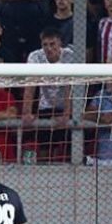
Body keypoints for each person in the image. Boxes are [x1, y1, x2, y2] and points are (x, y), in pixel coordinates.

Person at [23, 28, 76, 162]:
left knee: (64, 145)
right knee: (44, 146)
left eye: (52, 44)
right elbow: (30, 85)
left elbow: (70, 87)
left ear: (60, 43)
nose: (49, 48)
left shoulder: (70, 56)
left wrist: (66, 114)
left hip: (66, 106)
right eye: (45, 45)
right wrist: (27, 112)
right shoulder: (35, 57)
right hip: (45, 106)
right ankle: (43, 170)